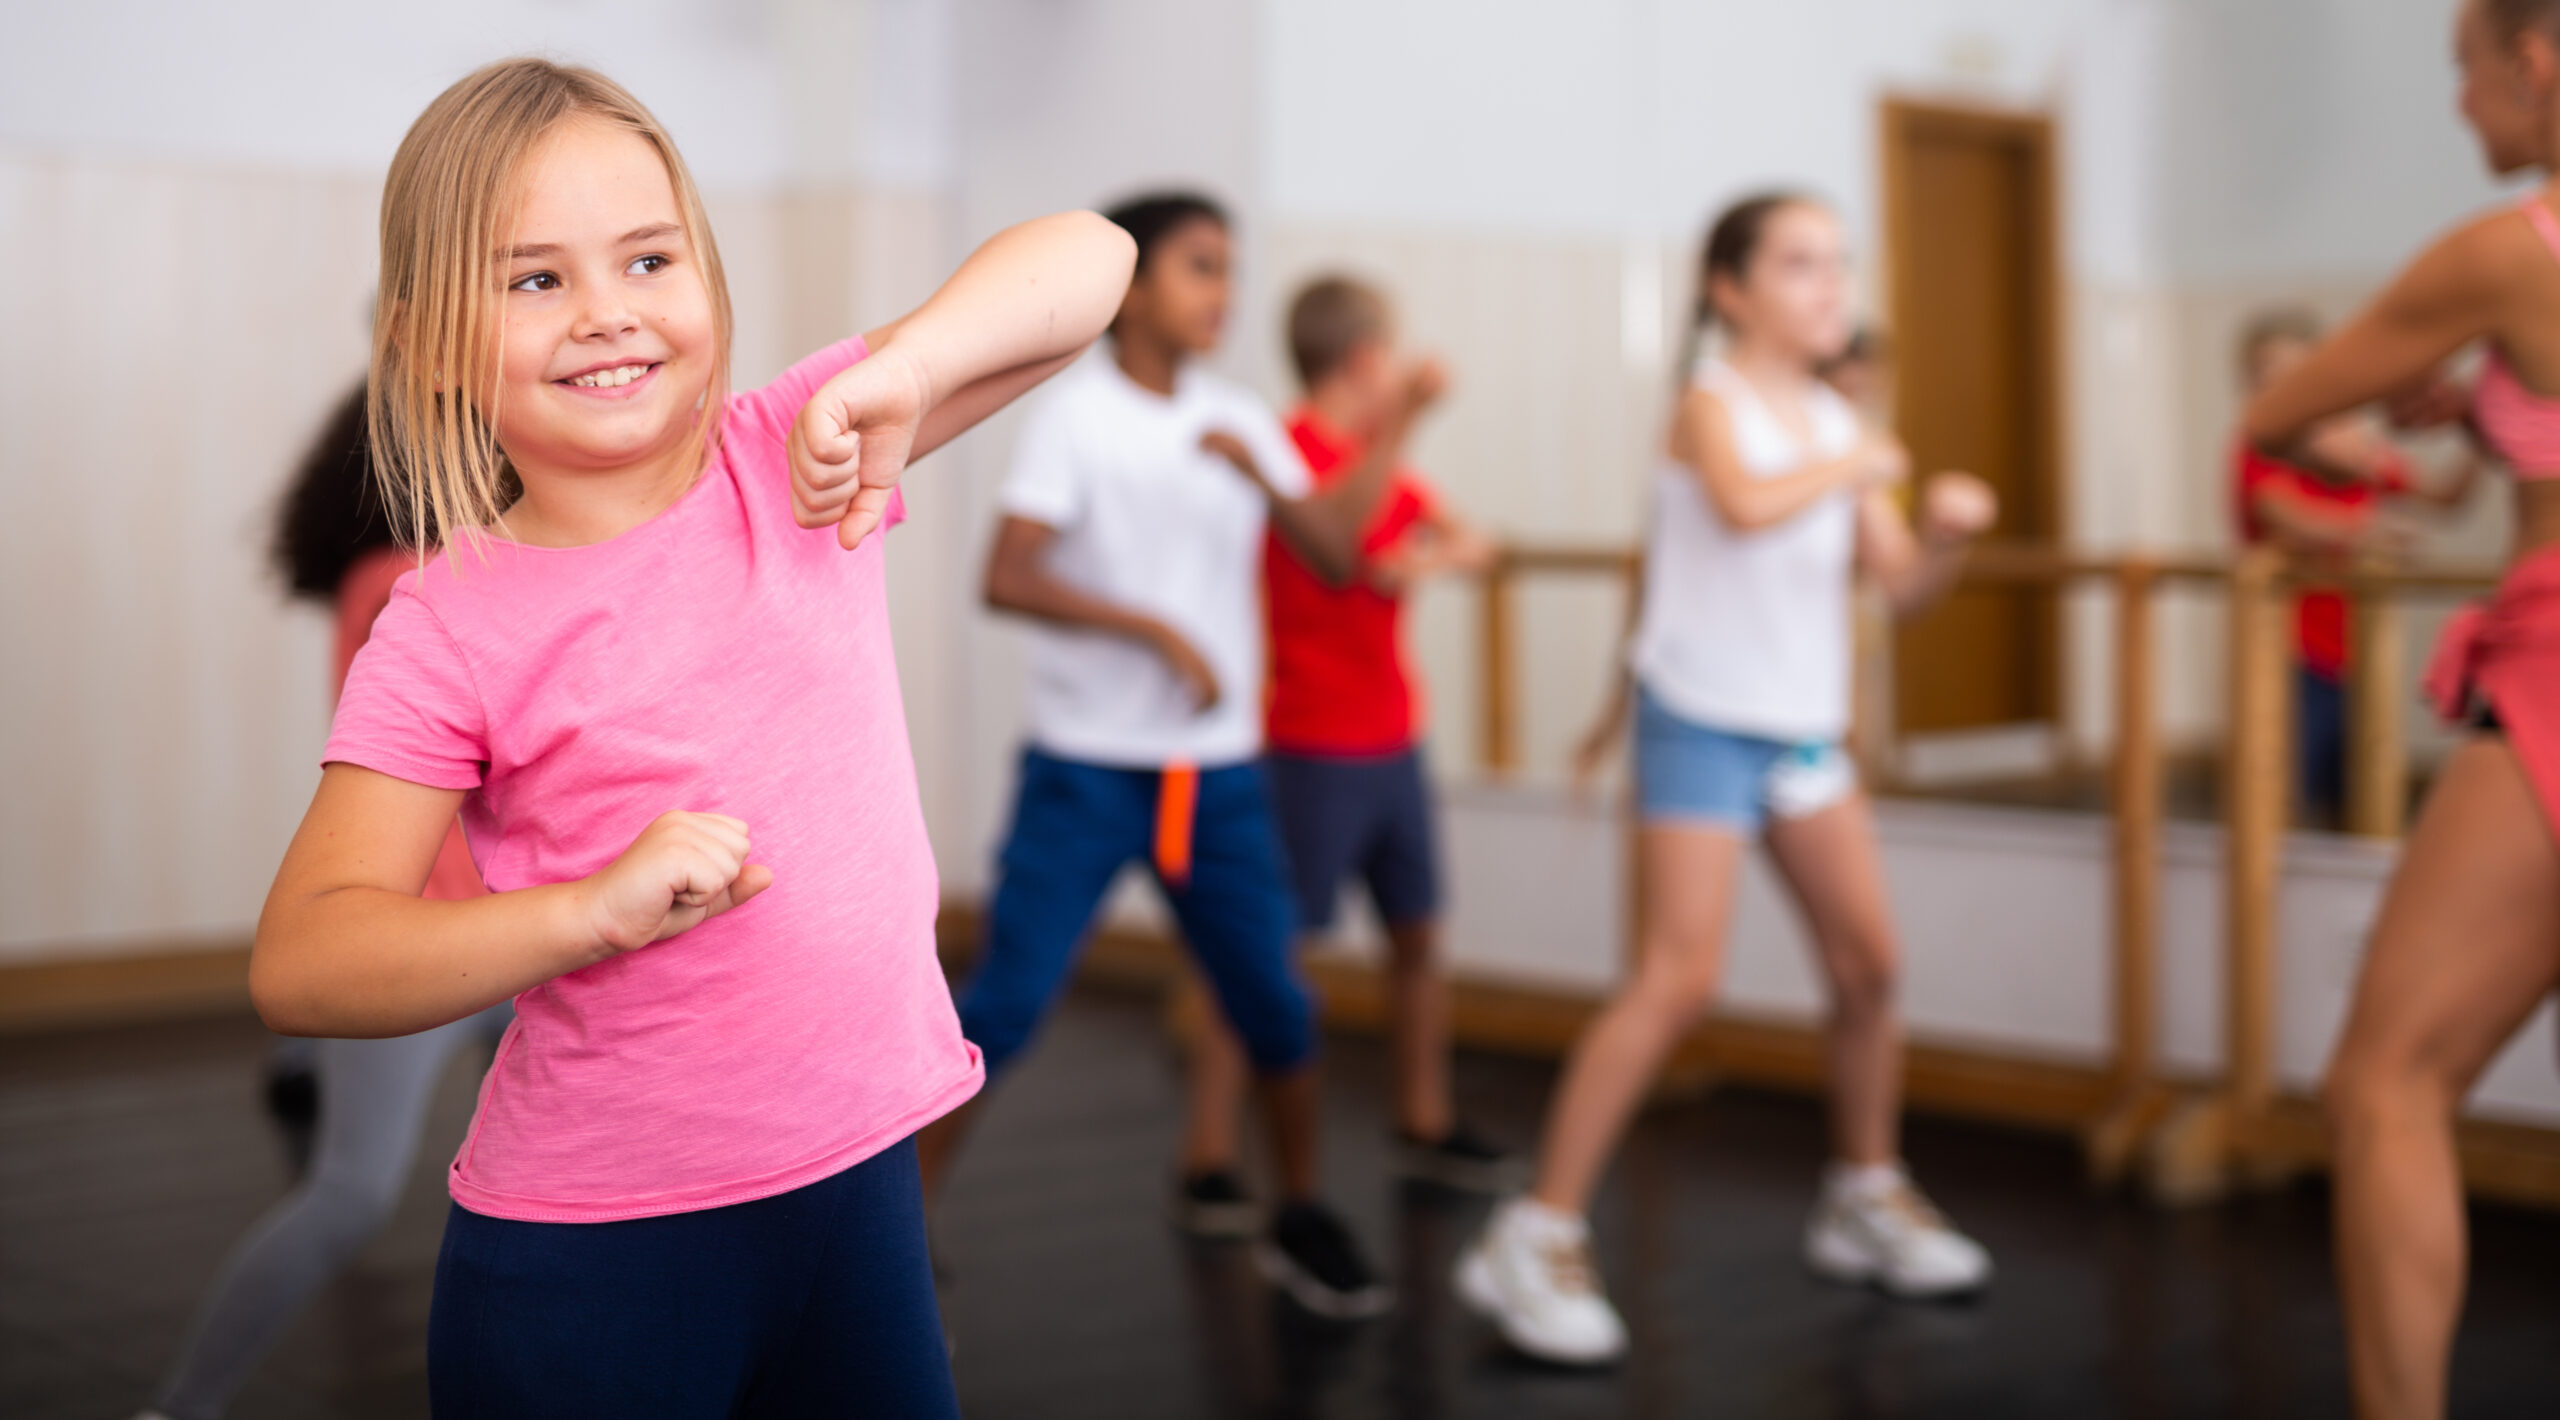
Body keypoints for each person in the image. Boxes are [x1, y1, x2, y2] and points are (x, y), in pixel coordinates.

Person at [247, 58, 1134, 1417]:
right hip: (591, 1259)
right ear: (428, 345)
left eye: (649, 258)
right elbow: (308, 956)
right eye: (536, 279)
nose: (609, 313)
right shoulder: (447, 626)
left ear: (706, 276)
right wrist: (585, 912)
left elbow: (1093, 260)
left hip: (856, 1195)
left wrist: (906, 370)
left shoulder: (796, 455)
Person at [1453, 192, 2000, 1366]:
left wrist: (1945, 532)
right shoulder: (1710, 405)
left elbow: (1896, 589)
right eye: (1800, 264)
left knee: (1869, 967)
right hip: (1699, 719)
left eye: (1839, 264)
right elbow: (1747, 511)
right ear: (1730, 289)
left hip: (1801, 731)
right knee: (1675, 981)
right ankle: (1534, 1231)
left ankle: (1863, 1191)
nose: (1831, 286)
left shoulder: (1833, 421)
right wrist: (1856, 452)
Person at [916, 194, 1408, 1320]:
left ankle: (1297, 1215)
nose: (1221, 293)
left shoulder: (1239, 417)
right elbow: (1008, 573)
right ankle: (898, 1224)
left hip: (1217, 779)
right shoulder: (1075, 417)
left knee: (1277, 1006)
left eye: (1229, 270)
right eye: (1197, 267)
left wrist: (1285, 467)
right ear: (1131, 289)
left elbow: (1335, 554)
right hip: (1086, 772)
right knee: (1006, 1005)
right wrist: (1157, 630)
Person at [2245, 3, 2560, 1414]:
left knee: (2387, 1081)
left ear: (2536, 61)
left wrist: (2438, 387)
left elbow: (2280, 413)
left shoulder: (2510, 251)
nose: (2458, 108)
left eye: (2465, 73)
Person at [133, 387, 507, 1420]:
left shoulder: (415, 571)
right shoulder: (411, 584)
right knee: (350, 1195)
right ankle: (179, 1406)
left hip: (524, 939)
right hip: (428, 948)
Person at [1172, 272, 1514, 1195]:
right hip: (1307, 740)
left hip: (1394, 736)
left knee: (1416, 940)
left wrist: (1424, 559)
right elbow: (1338, 554)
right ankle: (1209, 1153)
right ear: (1368, 359)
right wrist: (1395, 511)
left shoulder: (1373, 455)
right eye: (1390, 354)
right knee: (1263, 953)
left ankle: (1424, 1118)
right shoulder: (1288, 455)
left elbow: (1470, 540)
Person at [2232, 309, 2480, 824]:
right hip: (2288, 649)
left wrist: (2483, 420)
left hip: (2356, 649)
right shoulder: (2257, 447)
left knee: (2355, 794)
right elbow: (2283, 514)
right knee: (2281, 795)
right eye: (2267, 376)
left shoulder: (2352, 450)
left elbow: (2446, 498)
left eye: (2297, 374)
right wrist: (2369, 527)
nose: (2282, 387)